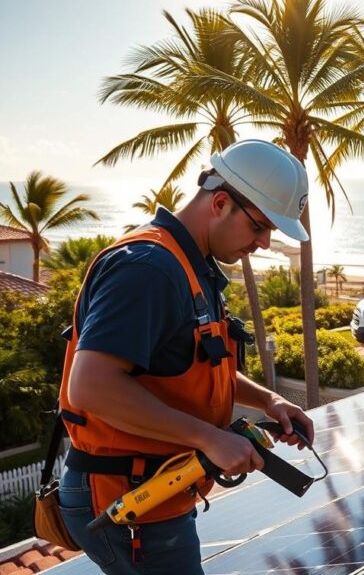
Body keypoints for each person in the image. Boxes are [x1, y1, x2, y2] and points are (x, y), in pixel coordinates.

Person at [57, 139, 315, 574]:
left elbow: (193, 368)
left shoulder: (192, 267)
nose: (266, 243)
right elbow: (90, 387)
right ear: (220, 203)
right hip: (126, 501)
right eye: (260, 227)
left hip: (159, 492)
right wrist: (210, 438)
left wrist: (269, 401)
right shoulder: (148, 270)